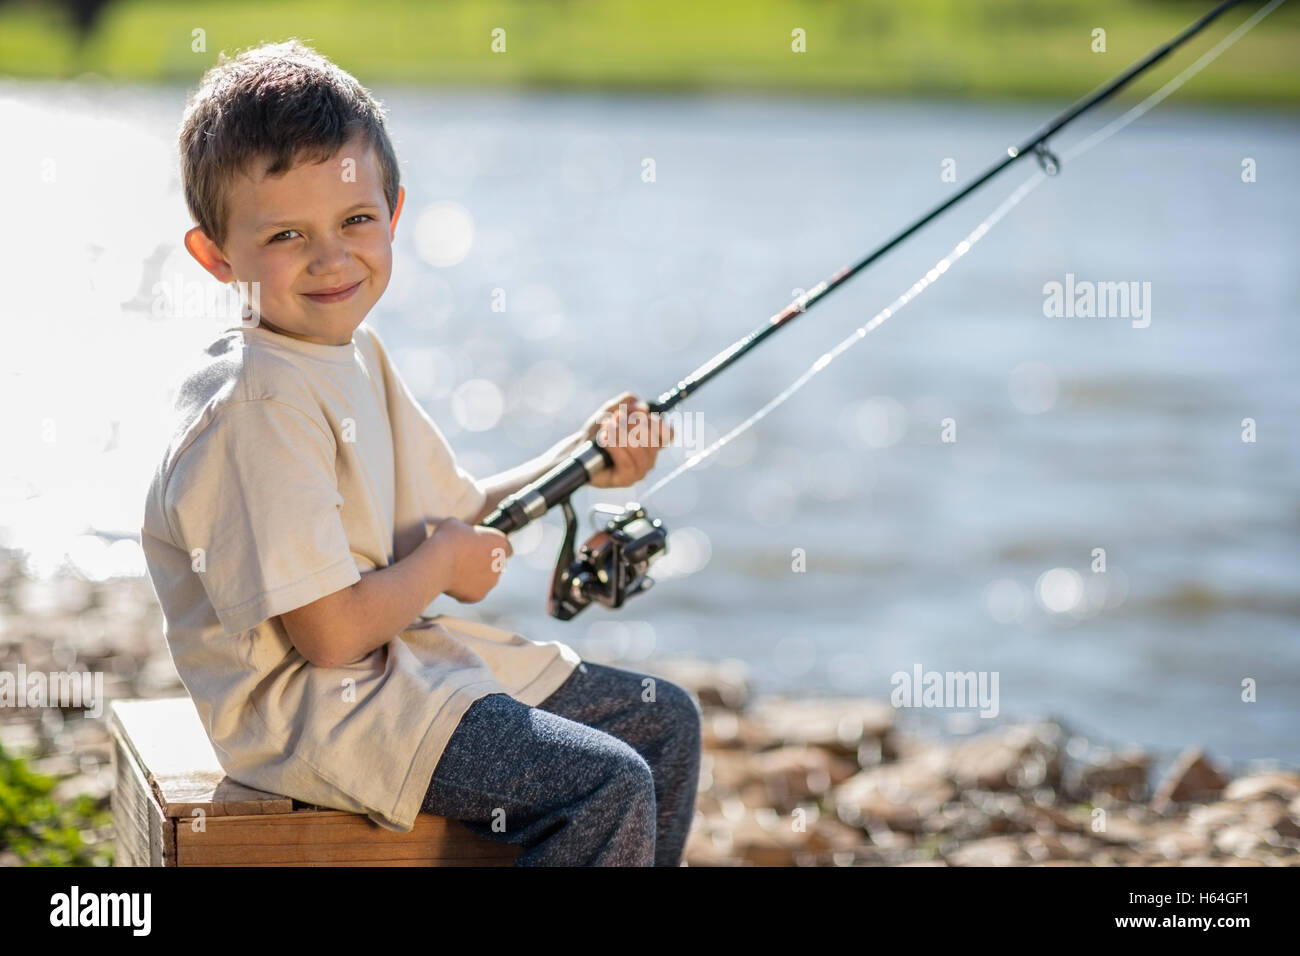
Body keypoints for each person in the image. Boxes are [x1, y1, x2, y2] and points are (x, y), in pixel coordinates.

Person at [140, 38, 700, 866]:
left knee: (664, 722)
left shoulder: (352, 354)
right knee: (604, 783)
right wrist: (440, 564)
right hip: (322, 717)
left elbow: (454, 515)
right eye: (288, 234)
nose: (332, 258)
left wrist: (583, 456)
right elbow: (330, 636)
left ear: (394, 213)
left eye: (356, 221)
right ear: (217, 256)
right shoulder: (257, 403)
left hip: (400, 677)